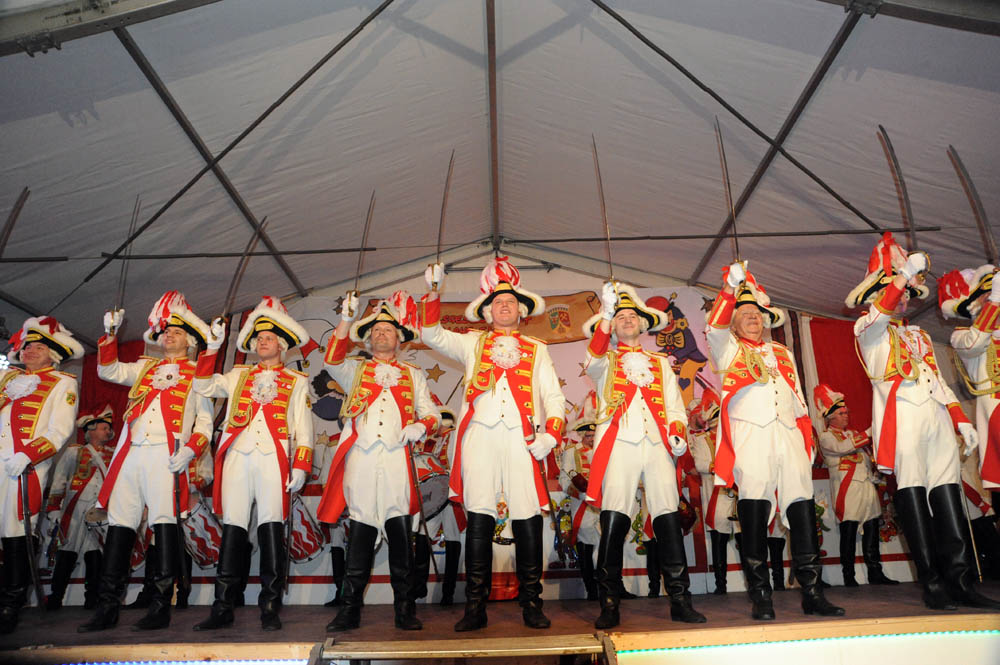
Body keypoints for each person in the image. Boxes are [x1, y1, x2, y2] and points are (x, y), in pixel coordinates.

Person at [848, 232, 999, 610]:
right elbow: (881, 312)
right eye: (896, 292)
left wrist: (960, 420)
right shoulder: (867, 329)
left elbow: (941, 383)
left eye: (905, 293)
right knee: (912, 493)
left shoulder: (919, 335)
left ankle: (961, 580)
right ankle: (931, 582)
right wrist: (901, 277)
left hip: (935, 418)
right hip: (903, 418)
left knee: (949, 495)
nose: (902, 300)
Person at [421, 257, 565, 631]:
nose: (505, 306)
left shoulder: (536, 348)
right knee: (480, 517)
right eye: (497, 302)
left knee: (528, 516)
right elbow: (432, 334)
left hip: (522, 438)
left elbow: (553, 396)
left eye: (511, 302)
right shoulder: (471, 343)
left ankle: (532, 602)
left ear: (522, 310)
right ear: (486, 312)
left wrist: (551, 433)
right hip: (480, 437)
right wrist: (434, 291)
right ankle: (474, 607)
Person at [706, 262, 843, 621]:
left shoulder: (782, 353)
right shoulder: (727, 349)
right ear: (734, 323)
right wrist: (728, 290)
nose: (753, 318)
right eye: (745, 314)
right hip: (751, 435)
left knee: (801, 510)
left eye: (757, 314)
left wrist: (805, 438)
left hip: (787, 435)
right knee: (754, 512)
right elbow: (714, 327)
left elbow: (796, 396)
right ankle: (761, 595)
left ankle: (813, 592)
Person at [79, 292, 213, 632]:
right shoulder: (144, 367)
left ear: (192, 341)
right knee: (120, 525)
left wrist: (191, 449)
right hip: (132, 453)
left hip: (166, 456)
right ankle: (107, 605)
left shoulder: (201, 373)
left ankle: (159, 605)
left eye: (177, 332)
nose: (169, 335)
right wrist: (110, 335)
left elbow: (206, 424)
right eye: (166, 331)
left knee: (165, 524)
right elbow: (108, 369)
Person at [582, 282, 704, 629]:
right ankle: (609, 602)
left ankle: (680, 599)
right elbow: (591, 361)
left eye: (631, 315)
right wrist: (604, 317)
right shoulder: (604, 359)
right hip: (620, 443)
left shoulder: (661, 363)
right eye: (620, 316)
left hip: (657, 445)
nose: (627, 320)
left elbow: (675, 407)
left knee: (667, 518)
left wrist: (678, 432)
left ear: (643, 322)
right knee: (614, 520)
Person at [318, 290, 439, 631]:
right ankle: (349, 608)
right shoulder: (354, 371)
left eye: (387, 330)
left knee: (400, 531)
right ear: (367, 340)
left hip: (398, 459)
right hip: (363, 457)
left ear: (400, 338)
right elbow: (331, 358)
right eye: (374, 331)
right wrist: (346, 319)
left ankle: (404, 608)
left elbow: (432, 414)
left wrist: (421, 424)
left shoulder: (414, 375)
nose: (381, 334)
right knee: (360, 529)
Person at [192, 297, 314, 631]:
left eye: (270, 337)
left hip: (275, 460)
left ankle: (270, 605)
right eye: (259, 338)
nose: (263, 341)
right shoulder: (237, 375)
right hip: (238, 458)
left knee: (271, 527)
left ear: (282, 345)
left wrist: (301, 465)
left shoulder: (296, 381)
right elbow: (202, 384)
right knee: (233, 528)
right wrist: (212, 346)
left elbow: (304, 429)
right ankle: (223, 606)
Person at [0, 317, 82, 633]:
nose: (30, 350)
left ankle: (11, 602)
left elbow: (59, 430)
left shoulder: (63, 383)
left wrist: (28, 455)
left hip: (24, 466)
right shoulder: (7, 379)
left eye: (39, 346)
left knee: (15, 533)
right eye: (27, 346)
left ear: (53, 354)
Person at [814, 384, 897, 586]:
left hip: (866, 486)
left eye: (846, 413)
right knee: (849, 531)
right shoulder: (826, 437)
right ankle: (848, 575)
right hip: (847, 488)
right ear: (830, 416)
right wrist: (870, 431)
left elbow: (865, 458)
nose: (845, 416)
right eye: (841, 413)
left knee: (871, 529)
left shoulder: (853, 433)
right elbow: (842, 448)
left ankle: (875, 572)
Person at [45, 406, 116, 610]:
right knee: (67, 552)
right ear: (91, 430)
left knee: (96, 555)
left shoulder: (112, 454)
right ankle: (55, 597)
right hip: (75, 509)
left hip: (100, 511)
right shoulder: (73, 451)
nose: (108, 432)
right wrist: (54, 510)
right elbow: (59, 481)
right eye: (104, 428)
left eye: (108, 429)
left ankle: (92, 599)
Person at [941, 265, 1000, 507]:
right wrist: (994, 301)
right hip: (994, 405)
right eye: (987, 295)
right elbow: (976, 342)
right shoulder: (961, 335)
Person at [688, 387, 741, 594]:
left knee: (743, 539)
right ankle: (721, 584)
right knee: (718, 541)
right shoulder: (702, 439)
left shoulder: (734, 438)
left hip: (736, 494)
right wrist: (722, 467)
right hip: (716, 496)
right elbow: (701, 464)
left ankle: (753, 581)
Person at [411, 399, 463, 606]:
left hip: (452, 495)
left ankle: (448, 592)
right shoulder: (428, 442)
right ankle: (419, 586)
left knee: (452, 539)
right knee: (424, 536)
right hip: (434, 495)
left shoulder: (456, 436)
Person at [559, 392, 600, 601]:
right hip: (582, 506)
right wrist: (580, 491)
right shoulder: (571, 452)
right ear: (581, 435)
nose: (591, 439)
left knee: (605, 547)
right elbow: (564, 482)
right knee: (585, 545)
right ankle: (590, 589)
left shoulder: (604, 451)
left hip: (603, 506)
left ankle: (610, 588)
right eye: (588, 436)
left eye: (594, 436)